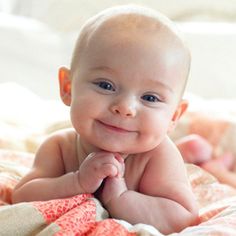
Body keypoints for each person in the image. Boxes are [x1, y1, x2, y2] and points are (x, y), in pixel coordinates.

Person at [12, 5, 198, 234]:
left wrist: (121, 198)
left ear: (174, 116)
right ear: (68, 88)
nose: (125, 108)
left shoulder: (159, 157)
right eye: (105, 85)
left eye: (150, 97)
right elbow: (22, 195)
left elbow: (183, 217)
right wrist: (77, 182)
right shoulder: (59, 147)